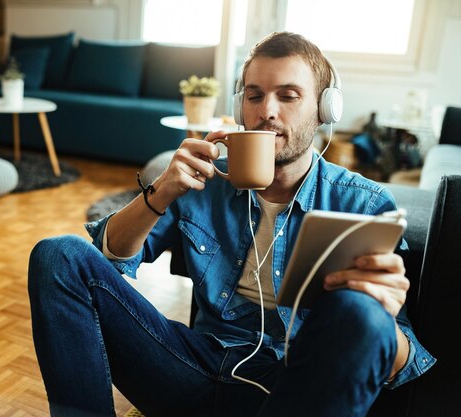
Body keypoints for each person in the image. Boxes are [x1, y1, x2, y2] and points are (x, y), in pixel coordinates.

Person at [28, 32, 435, 417]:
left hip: (289, 388)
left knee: (361, 312)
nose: (266, 111)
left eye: (288, 96)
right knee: (58, 253)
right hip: (190, 366)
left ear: (324, 110)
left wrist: (379, 314)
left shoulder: (361, 203)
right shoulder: (204, 182)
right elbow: (106, 259)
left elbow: (407, 362)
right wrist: (162, 191)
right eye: (254, 96)